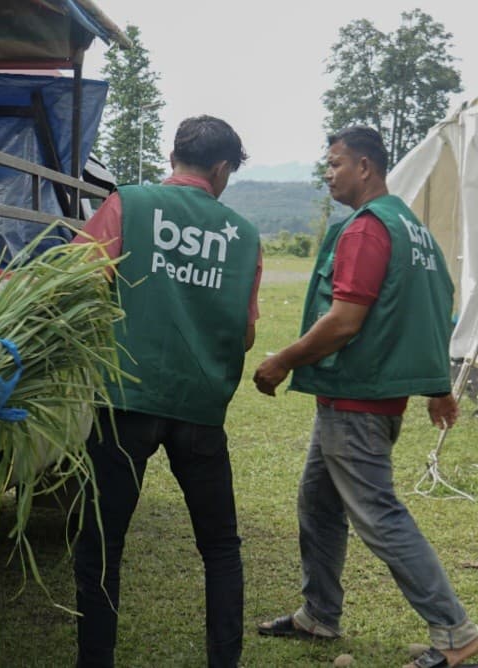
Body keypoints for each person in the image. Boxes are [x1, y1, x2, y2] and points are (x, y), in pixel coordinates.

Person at [254, 126, 478, 668]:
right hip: (367, 395)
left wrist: (281, 359)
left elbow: (344, 321)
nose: (328, 173)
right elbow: (429, 307)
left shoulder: (367, 228)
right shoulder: (412, 229)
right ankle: (319, 614)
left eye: (335, 164)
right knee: (318, 500)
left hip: (357, 397)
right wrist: (435, 386)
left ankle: (456, 632)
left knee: (379, 514)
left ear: (365, 168)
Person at [72, 115, 262, 668]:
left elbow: (82, 282)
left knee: (103, 545)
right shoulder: (244, 236)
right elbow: (246, 334)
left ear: (173, 154)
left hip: (125, 400)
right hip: (200, 409)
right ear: (222, 168)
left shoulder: (126, 204)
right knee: (221, 547)